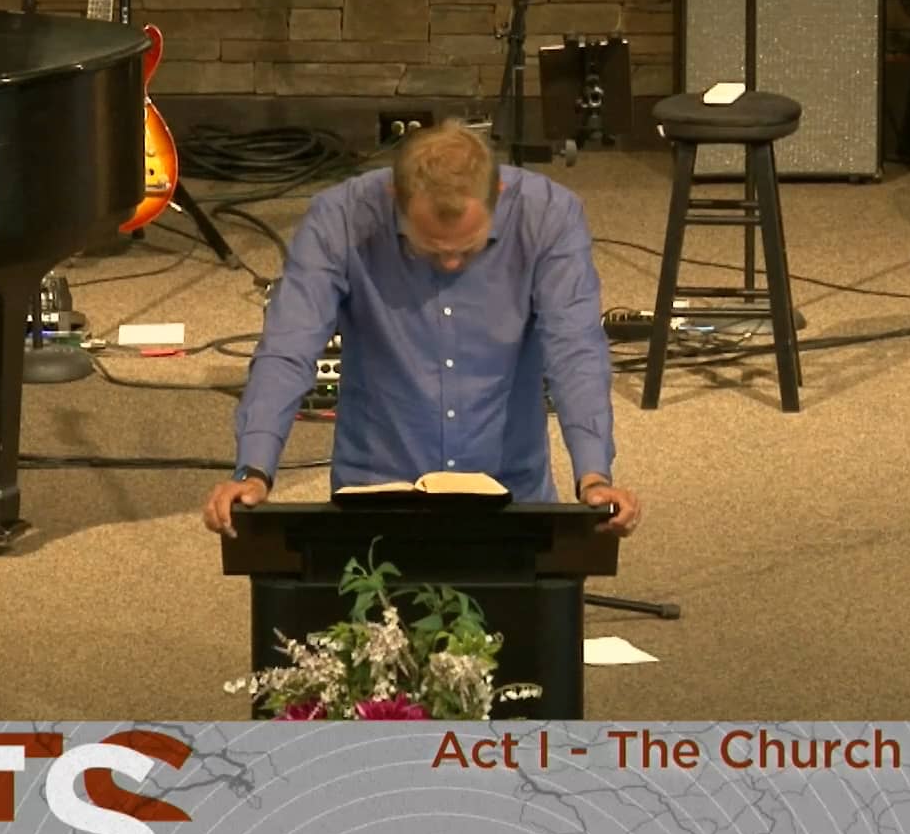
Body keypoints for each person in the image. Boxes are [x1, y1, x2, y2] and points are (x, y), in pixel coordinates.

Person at [201, 119, 642, 538]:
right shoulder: (340, 217)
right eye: (431, 248)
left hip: (509, 484)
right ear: (396, 197)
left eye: (468, 249)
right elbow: (288, 345)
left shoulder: (549, 215)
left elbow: (575, 349)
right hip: (376, 486)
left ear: (498, 194)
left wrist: (594, 476)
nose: (450, 264)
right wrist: (254, 469)